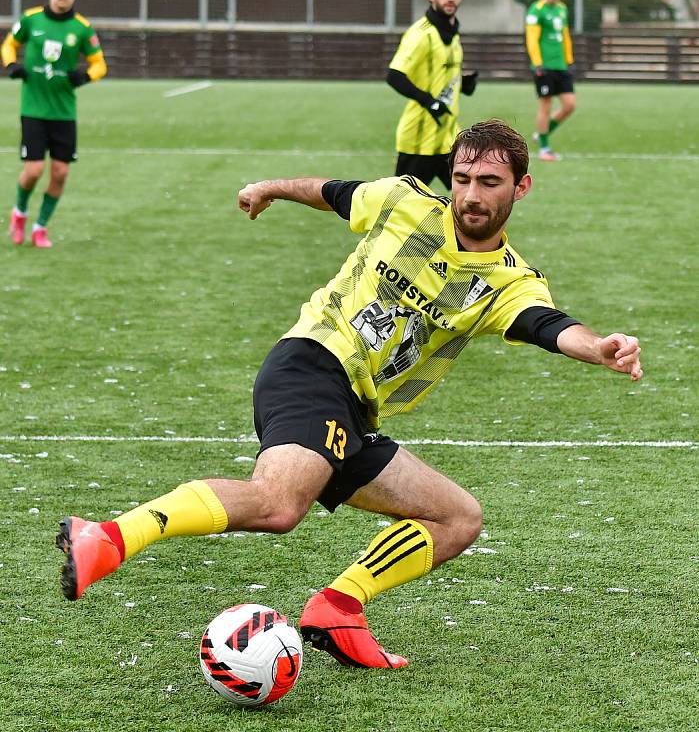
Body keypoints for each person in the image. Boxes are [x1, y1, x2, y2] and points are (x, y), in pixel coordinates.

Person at [56, 120, 642, 672]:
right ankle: (107, 537)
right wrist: (270, 188)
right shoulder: (407, 204)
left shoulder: (507, 280)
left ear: (521, 187)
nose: (471, 195)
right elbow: (332, 191)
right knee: (279, 504)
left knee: (457, 517)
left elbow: (546, 323)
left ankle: (338, 608)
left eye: (489, 183)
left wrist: (598, 348)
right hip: (311, 362)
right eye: (462, 179)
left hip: (353, 410)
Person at [1, 0, 107, 248]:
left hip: (64, 112)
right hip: (33, 109)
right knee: (34, 170)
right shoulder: (31, 19)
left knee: (60, 173)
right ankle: (19, 213)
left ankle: (40, 227)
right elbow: (9, 44)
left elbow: (100, 64)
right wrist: (11, 65)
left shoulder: (81, 28)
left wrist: (84, 76)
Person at [386, 0, 478, 190]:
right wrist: (429, 101)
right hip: (420, 139)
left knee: (471, 200)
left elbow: (442, 73)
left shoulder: (452, 33)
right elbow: (394, 76)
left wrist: (463, 83)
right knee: (398, 209)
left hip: (448, 138)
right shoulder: (421, 34)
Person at [525, 0, 575, 162]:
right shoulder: (536, 10)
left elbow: (565, 35)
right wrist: (537, 63)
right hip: (544, 66)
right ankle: (544, 149)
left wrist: (569, 59)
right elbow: (531, 39)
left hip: (561, 65)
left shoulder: (562, 9)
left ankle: (541, 134)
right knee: (545, 106)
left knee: (570, 105)